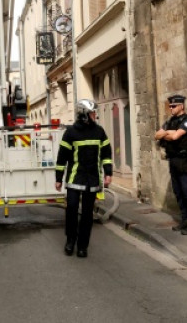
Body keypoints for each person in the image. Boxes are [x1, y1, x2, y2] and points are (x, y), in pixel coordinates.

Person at [55, 98, 113, 257]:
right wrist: (58, 178)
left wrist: (108, 173)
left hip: (92, 178)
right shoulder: (71, 132)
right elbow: (62, 157)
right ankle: (70, 241)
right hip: (75, 178)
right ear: (84, 115)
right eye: (93, 113)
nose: (95, 115)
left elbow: (106, 154)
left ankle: (82, 246)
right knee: (72, 210)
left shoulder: (99, 131)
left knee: (88, 214)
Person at [154, 94, 187, 235]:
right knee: (178, 192)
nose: (171, 108)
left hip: (185, 161)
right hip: (173, 160)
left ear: (181, 106)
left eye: (173, 106)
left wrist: (167, 134)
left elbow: (175, 137)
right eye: (170, 106)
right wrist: (169, 132)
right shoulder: (170, 121)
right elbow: (157, 135)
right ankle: (185, 219)